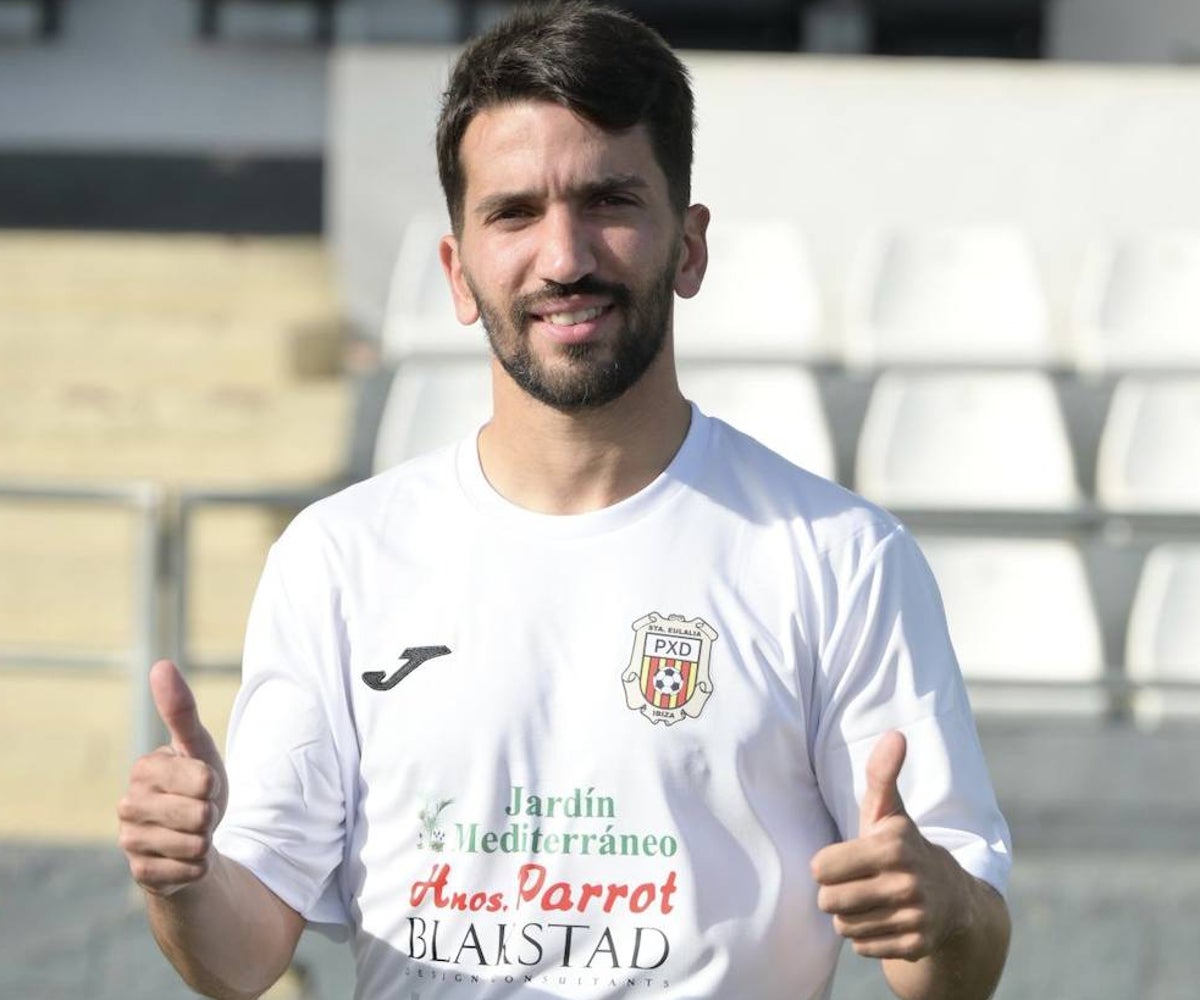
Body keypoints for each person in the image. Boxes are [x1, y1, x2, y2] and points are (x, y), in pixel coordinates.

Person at [116, 3, 1012, 998]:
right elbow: (239, 954)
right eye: (514, 213)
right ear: (458, 272)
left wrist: (944, 906)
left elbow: (948, 965)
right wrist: (182, 880)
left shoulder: (838, 556)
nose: (565, 256)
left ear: (690, 246)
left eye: (611, 200)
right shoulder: (339, 558)